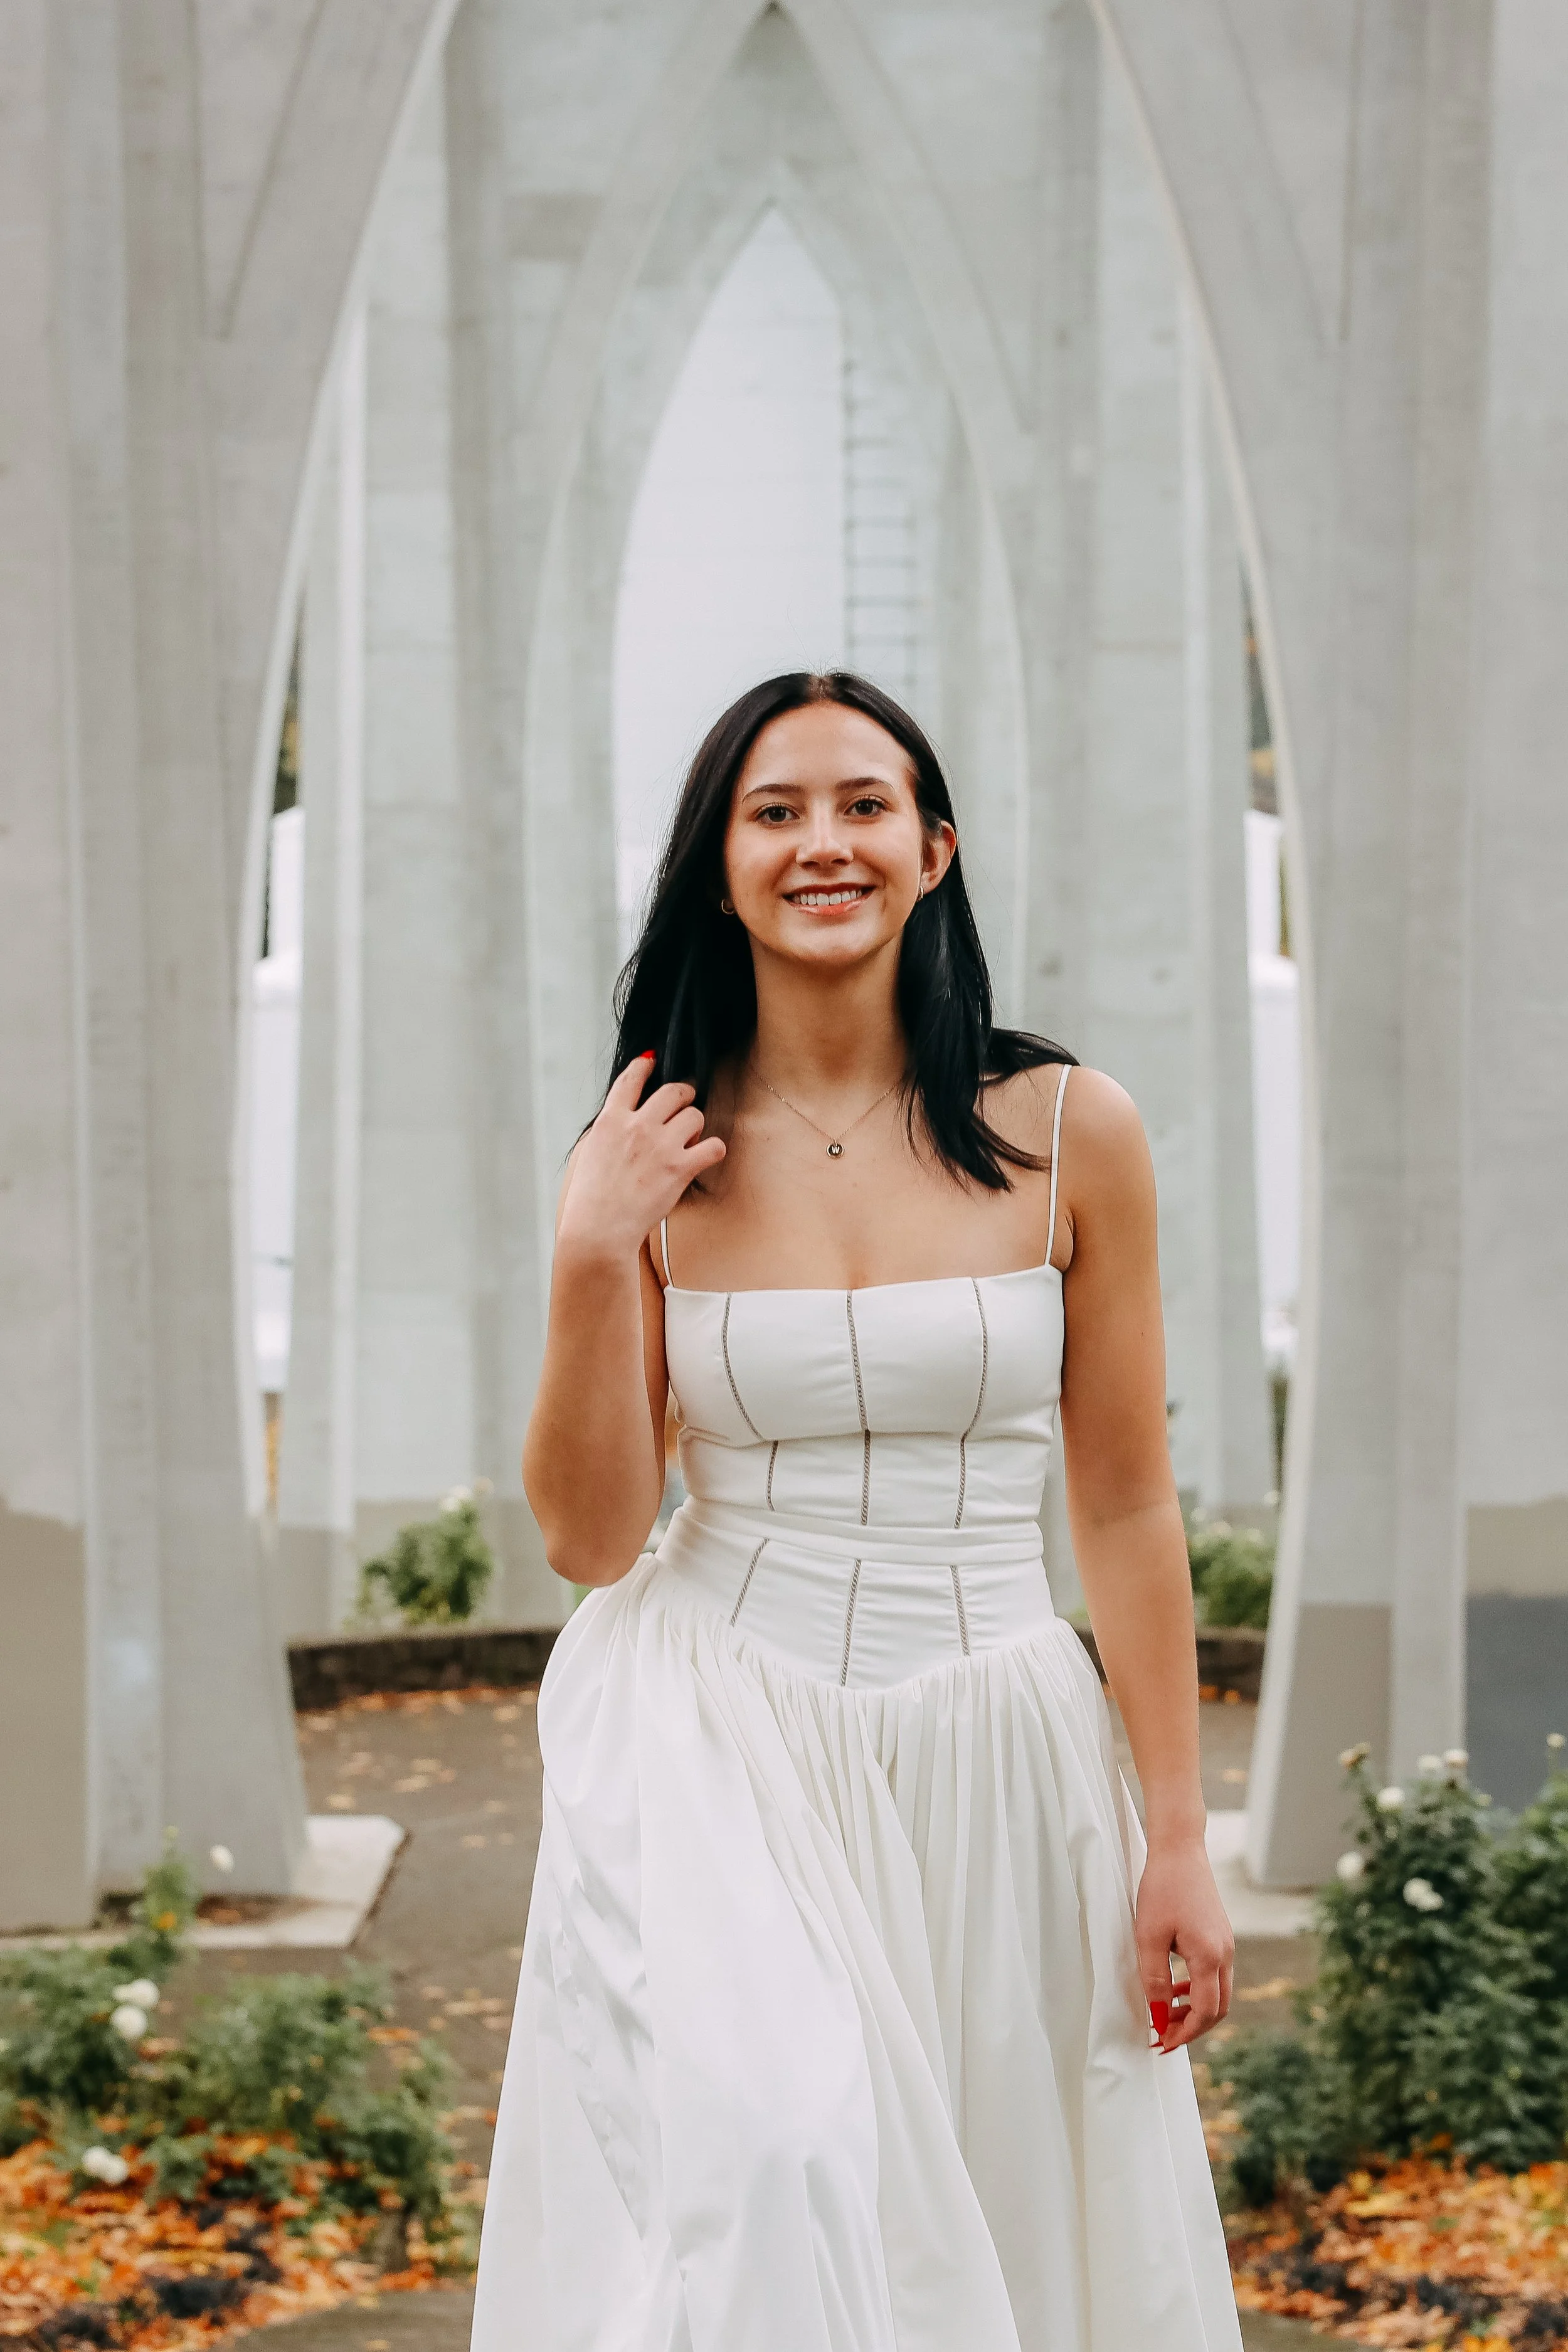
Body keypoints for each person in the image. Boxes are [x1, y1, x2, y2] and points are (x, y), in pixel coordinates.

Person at [471, 672, 1241, 2351]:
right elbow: (592, 1538)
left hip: (996, 1727)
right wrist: (591, 1248)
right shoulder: (650, 1148)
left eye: (862, 804)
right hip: (725, 1718)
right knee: (775, 2158)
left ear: (932, 846)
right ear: (719, 866)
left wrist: (1174, 1828)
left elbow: (1119, 1494)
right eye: (773, 811)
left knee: (1002, 2193)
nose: (822, 841)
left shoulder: (1064, 1129)